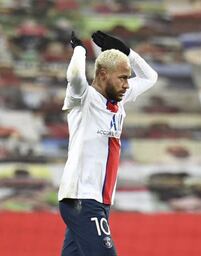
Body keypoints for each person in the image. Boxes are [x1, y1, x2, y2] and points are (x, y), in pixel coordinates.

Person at [58, 31, 158, 256]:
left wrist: (128, 53)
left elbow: (151, 77)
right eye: (122, 77)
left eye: (127, 77)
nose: (126, 84)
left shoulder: (118, 99)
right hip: (82, 199)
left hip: (101, 201)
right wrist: (80, 50)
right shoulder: (83, 98)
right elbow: (74, 75)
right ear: (103, 74)